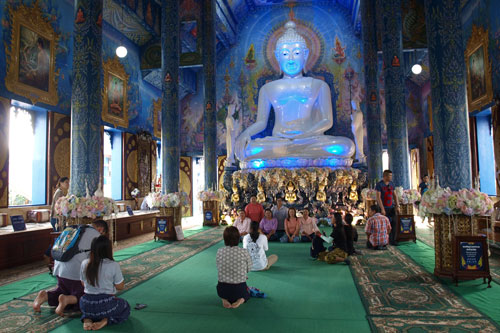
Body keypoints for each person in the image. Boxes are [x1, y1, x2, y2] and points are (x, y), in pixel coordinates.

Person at [234, 21, 355, 164]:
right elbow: (261, 122)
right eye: (285, 54)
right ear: (278, 56)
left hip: (309, 140)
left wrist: (304, 136)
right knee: (249, 149)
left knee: (346, 147)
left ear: (306, 55)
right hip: (278, 141)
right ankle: (291, 151)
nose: (291, 59)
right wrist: (245, 134)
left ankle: (290, 151)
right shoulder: (267, 88)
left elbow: (327, 121)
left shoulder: (319, 85)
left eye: (296, 53)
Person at [33, 224, 101, 315]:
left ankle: (46, 295)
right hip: (75, 273)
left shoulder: (72, 229)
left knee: (64, 290)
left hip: (59, 269)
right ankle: (66, 299)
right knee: (89, 296)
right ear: (101, 229)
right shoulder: (95, 234)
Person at [80, 236, 130, 330]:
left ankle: (87, 319)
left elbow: (83, 284)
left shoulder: (84, 263)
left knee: (92, 310)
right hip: (106, 304)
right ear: (108, 250)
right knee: (125, 306)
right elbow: (120, 286)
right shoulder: (113, 265)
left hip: (86, 303)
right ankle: (106, 321)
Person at [216, 226, 253, 309]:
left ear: (225, 239)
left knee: (220, 287)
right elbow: (249, 268)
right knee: (247, 293)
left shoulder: (219, 251)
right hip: (239, 289)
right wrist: (242, 274)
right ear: (238, 238)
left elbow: (219, 267)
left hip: (222, 289)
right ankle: (240, 300)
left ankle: (224, 299)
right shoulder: (243, 251)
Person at [375, 170, 399, 245]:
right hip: (383, 207)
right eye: (389, 176)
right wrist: (382, 208)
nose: (391, 177)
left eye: (391, 176)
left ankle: (393, 240)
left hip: (391, 207)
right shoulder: (379, 185)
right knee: (383, 224)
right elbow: (378, 197)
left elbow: (395, 195)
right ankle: (383, 239)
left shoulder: (392, 184)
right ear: (385, 176)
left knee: (394, 222)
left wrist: (397, 206)